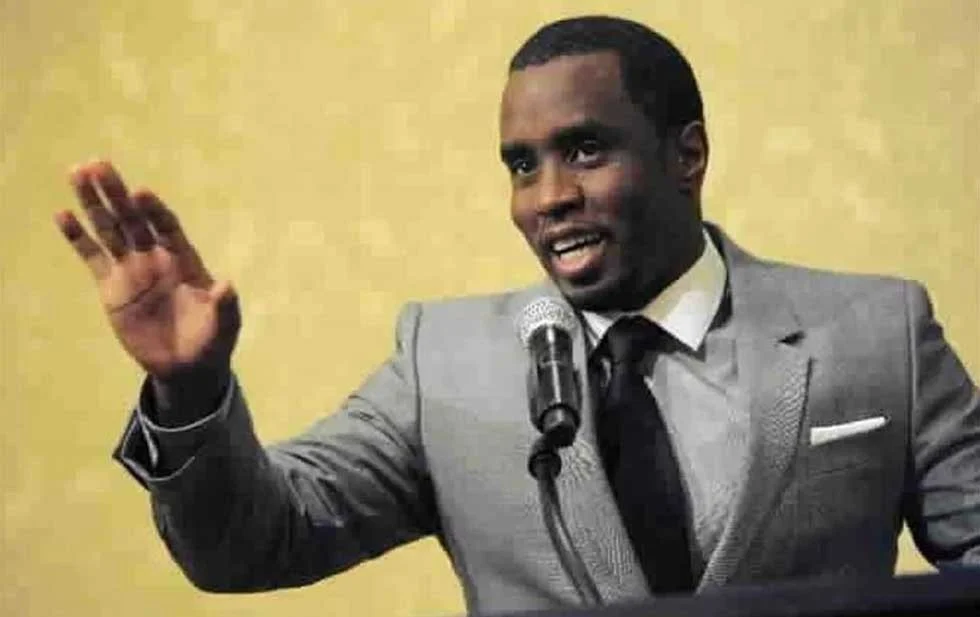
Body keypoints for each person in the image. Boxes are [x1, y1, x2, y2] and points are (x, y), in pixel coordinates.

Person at [54, 15, 980, 616]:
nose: (548, 197)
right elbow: (253, 543)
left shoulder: (878, 332)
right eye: (521, 164)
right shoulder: (444, 363)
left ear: (687, 154)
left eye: (585, 150)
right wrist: (191, 389)